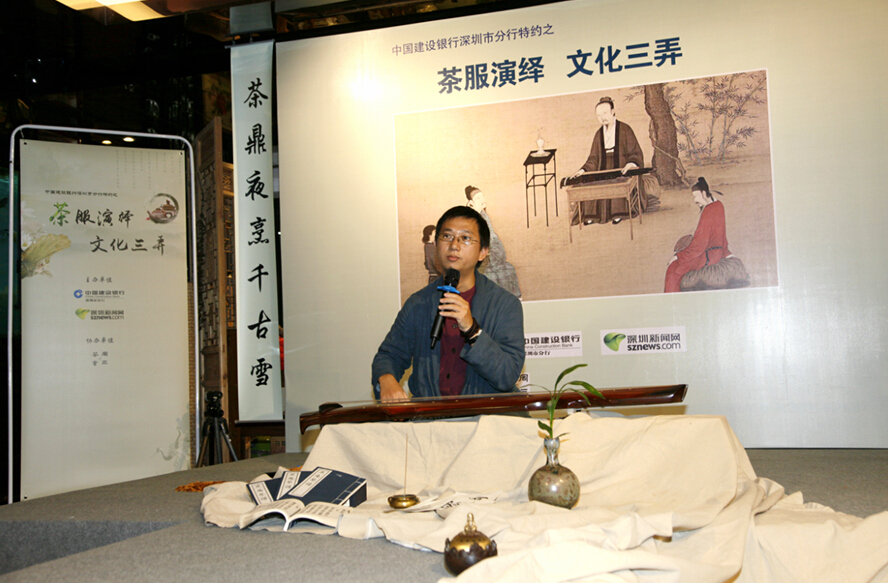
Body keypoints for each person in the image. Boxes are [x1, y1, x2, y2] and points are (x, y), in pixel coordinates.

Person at [372, 206, 525, 402]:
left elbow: (507, 375)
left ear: (483, 252)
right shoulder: (418, 303)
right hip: (431, 416)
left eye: (465, 238)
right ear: (436, 245)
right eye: (446, 236)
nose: (454, 245)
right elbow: (389, 355)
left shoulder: (505, 304)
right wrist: (386, 380)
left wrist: (472, 329)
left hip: (486, 415)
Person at [664, 177, 749, 293]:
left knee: (673, 269)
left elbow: (699, 245)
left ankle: (673, 301)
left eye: (695, 196)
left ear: (704, 193)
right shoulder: (719, 205)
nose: (695, 200)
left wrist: (678, 256)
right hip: (716, 253)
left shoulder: (709, 210)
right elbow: (721, 237)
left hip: (707, 256)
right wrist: (726, 252)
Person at [571, 96, 645, 225]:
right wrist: (582, 170)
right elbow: (593, 158)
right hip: (602, 167)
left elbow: (635, 152)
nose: (602, 117)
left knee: (618, 182)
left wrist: (630, 164)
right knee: (589, 182)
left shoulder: (625, 129)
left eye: (605, 113)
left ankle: (618, 213)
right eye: (599, 115)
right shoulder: (599, 134)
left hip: (621, 166)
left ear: (613, 111)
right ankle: (591, 215)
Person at [464, 185, 522, 299]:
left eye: (482, 196)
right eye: (478, 198)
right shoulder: (470, 219)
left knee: (508, 269)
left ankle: (513, 301)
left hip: (492, 254)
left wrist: (496, 252)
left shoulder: (484, 215)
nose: (483, 200)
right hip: (480, 259)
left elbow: (492, 238)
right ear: (471, 203)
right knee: (491, 275)